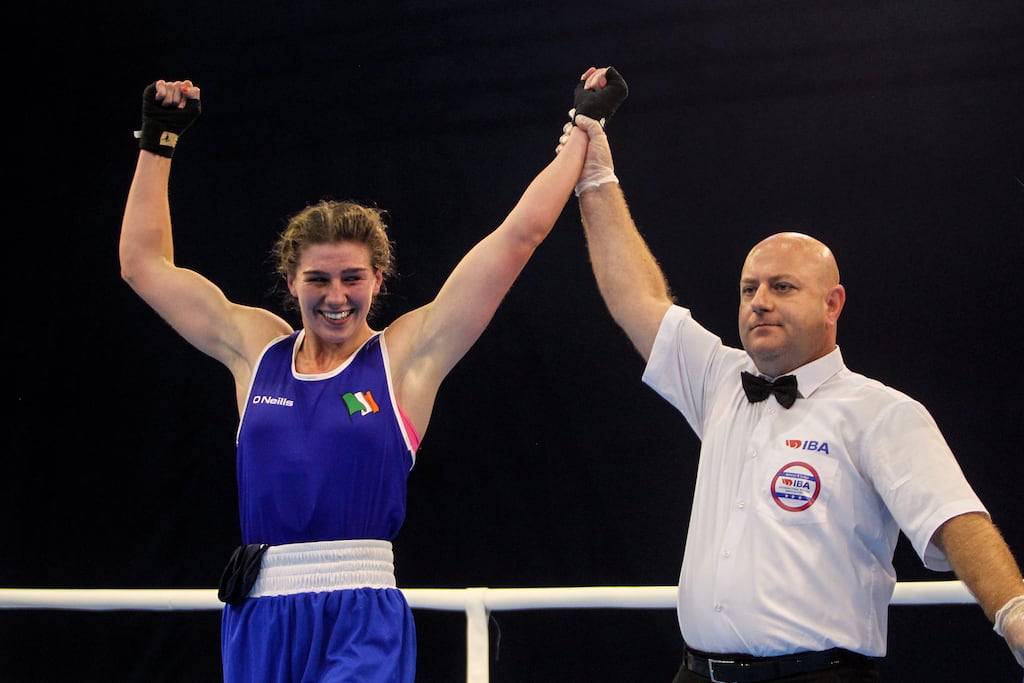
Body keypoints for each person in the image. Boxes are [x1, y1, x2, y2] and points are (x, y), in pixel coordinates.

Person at [119, 76, 618, 682]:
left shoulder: (403, 357)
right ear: (291, 281)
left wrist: (582, 129)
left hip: (361, 610)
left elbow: (517, 238)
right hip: (258, 612)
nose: (336, 298)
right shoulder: (255, 351)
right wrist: (158, 142)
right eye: (319, 280)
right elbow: (144, 266)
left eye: (352, 279)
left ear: (379, 279)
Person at [561, 66, 1024, 680]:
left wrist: (1015, 613)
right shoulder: (721, 380)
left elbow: (956, 519)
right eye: (749, 288)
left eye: (782, 287)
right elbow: (636, 299)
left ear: (832, 304)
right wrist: (595, 176)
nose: (759, 302)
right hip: (695, 673)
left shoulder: (881, 413)